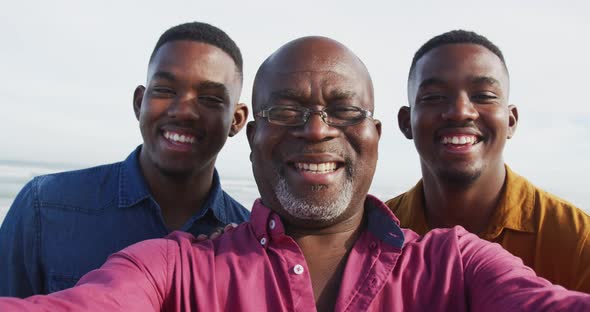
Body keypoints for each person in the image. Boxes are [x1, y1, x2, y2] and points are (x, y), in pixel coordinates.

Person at [2, 36, 590, 312]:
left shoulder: (456, 262)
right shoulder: (174, 266)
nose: (316, 129)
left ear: (379, 136)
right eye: (285, 110)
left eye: (344, 110)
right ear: (252, 135)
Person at [0, 21, 250, 297]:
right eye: (165, 91)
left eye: (210, 98)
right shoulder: (44, 207)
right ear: (139, 103)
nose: (183, 111)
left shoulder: (248, 244)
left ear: (236, 120)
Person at [386, 29, 590, 292]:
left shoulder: (577, 241)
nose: (460, 112)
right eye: (434, 97)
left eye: (483, 96)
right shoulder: (377, 234)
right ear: (406, 122)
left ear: (511, 121)